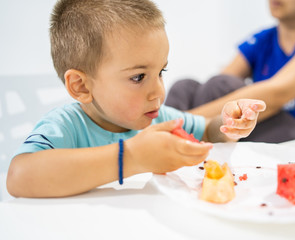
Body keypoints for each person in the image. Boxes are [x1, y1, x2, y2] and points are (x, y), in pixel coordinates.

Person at [6, 0, 265, 198]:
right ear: (81, 86)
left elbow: (207, 130)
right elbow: (18, 176)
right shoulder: (66, 126)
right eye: (139, 77)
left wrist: (228, 123)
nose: (158, 92)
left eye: (161, 72)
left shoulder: (159, 118)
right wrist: (129, 157)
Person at [166, 0, 295, 143]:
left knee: (221, 87)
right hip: (278, 128)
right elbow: (214, 83)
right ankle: (164, 141)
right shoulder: (264, 38)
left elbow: (277, 94)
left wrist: (185, 121)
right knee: (185, 87)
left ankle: (169, 133)